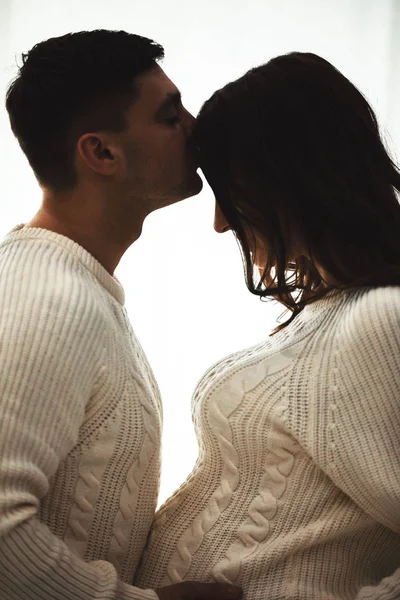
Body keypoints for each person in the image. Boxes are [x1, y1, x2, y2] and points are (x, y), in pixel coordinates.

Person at [134, 52, 400, 599]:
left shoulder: (381, 318)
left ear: (286, 179)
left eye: (229, 193)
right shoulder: (338, 310)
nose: (220, 222)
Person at [0, 29, 243, 600]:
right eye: (169, 115)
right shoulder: (45, 299)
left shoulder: (76, 285)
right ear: (102, 153)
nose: (195, 127)